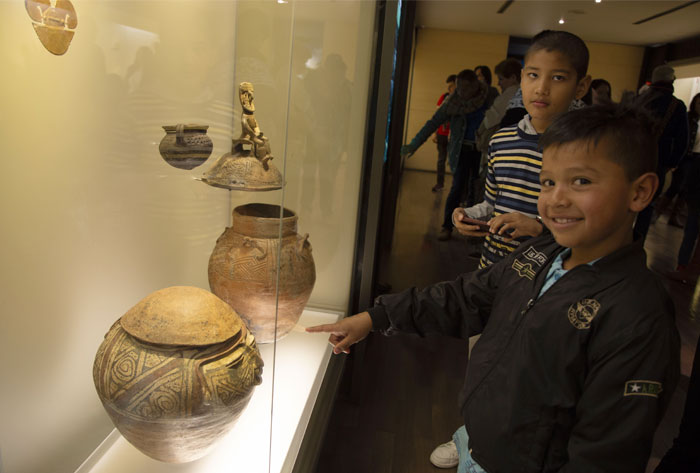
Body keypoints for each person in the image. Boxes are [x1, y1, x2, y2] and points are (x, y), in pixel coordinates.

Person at [307, 103, 680, 473]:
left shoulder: (637, 316)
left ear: (640, 191)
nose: (556, 199)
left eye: (581, 181)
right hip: (479, 443)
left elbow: (607, 454)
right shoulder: (540, 252)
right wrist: (377, 316)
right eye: (548, 182)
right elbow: (466, 297)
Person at [455, 30, 591, 269]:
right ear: (521, 78)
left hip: (544, 275)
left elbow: (588, 224)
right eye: (533, 75)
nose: (541, 88)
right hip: (492, 268)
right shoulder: (501, 140)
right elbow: (491, 205)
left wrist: (538, 226)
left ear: (580, 87)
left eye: (558, 78)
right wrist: (469, 215)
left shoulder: (584, 149)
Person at [401, 69, 489, 241]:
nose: (462, 93)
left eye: (466, 90)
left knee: (475, 190)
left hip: (481, 151)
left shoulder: (489, 96)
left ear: (475, 87)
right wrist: (414, 144)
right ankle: (447, 227)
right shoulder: (452, 102)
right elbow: (432, 123)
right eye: (459, 89)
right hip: (461, 150)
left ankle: (472, 229)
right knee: (457, 188)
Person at [633, 64, 689, 241]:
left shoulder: (639, 100)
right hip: (658, 161)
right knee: (648, 204)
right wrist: (672, 163)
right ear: (671, 81)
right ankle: (637, 244)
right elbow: (683, 139)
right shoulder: (676, 106)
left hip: (631, 158)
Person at [665, 93, 700, 283]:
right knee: (692, 228)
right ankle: (684, 267)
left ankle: (687, 269)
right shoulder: (689, 119)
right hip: (693, 172)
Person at [432, 74, 456, 192]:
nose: (449, 89)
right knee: (441, 160)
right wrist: (435, 133)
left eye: (451, 86)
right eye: (448, 87)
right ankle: (440, 183)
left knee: (453, 162)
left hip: (455, 136)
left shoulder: (462, 101)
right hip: (442, 134)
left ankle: (455, 187)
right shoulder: (444, 97)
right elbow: (437, 117)